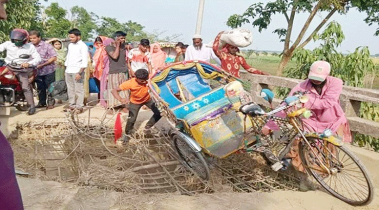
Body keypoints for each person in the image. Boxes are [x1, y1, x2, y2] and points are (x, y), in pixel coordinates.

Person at [287, 60, 351, 191]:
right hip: (311, 122)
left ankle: (323, 173)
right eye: (313, 78)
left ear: (327, 75)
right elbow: (287, 103)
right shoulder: (302, 86)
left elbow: (328, 102)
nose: (315, 81)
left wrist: (305, 101)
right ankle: (304, 179)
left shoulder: (336, 83)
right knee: (302, 148)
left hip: (332, 120)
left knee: (329, 150)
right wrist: (270, 125)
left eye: (319, 78)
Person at [0, 3, 25, 209]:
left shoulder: (29, 48)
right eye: (0, 4)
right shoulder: (6, 45)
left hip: (22, 71)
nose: (3, 14)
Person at [111, 69, 161, 144]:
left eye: (145, 80)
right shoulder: (130, 83)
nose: (144, 82)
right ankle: (127, 135)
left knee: (159, 112)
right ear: (136, 78)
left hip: (147, 100)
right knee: (131, 120)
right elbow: (114, 90)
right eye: (142, 81)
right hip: (135, 102)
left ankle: (147, 127)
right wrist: (121, 99)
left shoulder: (150, 78)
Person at [0, 29, 41, 115]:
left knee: (25, 87)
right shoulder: (8, 44)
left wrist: (28, 63)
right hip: (9, 67)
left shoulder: (30, 47)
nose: (16, 41)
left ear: (25, 40)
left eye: (19, 40)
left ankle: (31, 107)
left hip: (22, 69)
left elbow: (38, 58)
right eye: (15, 40)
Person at [29, 30, 57, 109]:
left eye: (34, 38)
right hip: (36, 71)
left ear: (39, 37)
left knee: (50, 87)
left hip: (48, 70)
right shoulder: (29, 46)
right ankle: (42, 102)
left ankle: (50, 103)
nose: (32, 40)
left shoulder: (47, 46)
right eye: (30, 38)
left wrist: (43, 65)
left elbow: (54, 57)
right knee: (40, 87)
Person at [64, 28, 88, 113]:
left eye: (72, 37)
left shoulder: (83, 46)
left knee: (79, 89)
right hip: (68, 70)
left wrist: (80, 73)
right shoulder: (70, 45)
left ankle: (79, 106)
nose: (71, 39)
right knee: (70, 89)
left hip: (77, 70)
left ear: (78, 37)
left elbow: (85, 61)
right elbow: (68, 57)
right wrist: (66, 69)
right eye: (70, 37)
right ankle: (72, 105)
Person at [105, 31, 129, 109]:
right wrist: (118, 46)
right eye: (121, 38)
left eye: (124, 38)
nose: (123, 40)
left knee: (124, 89)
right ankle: (112, 106)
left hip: (123, 71)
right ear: (116, 38)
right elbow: (115, 56)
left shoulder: (124, 46)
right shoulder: (109, 47)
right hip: (114, 71)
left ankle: (124, 105)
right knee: (113, 89)